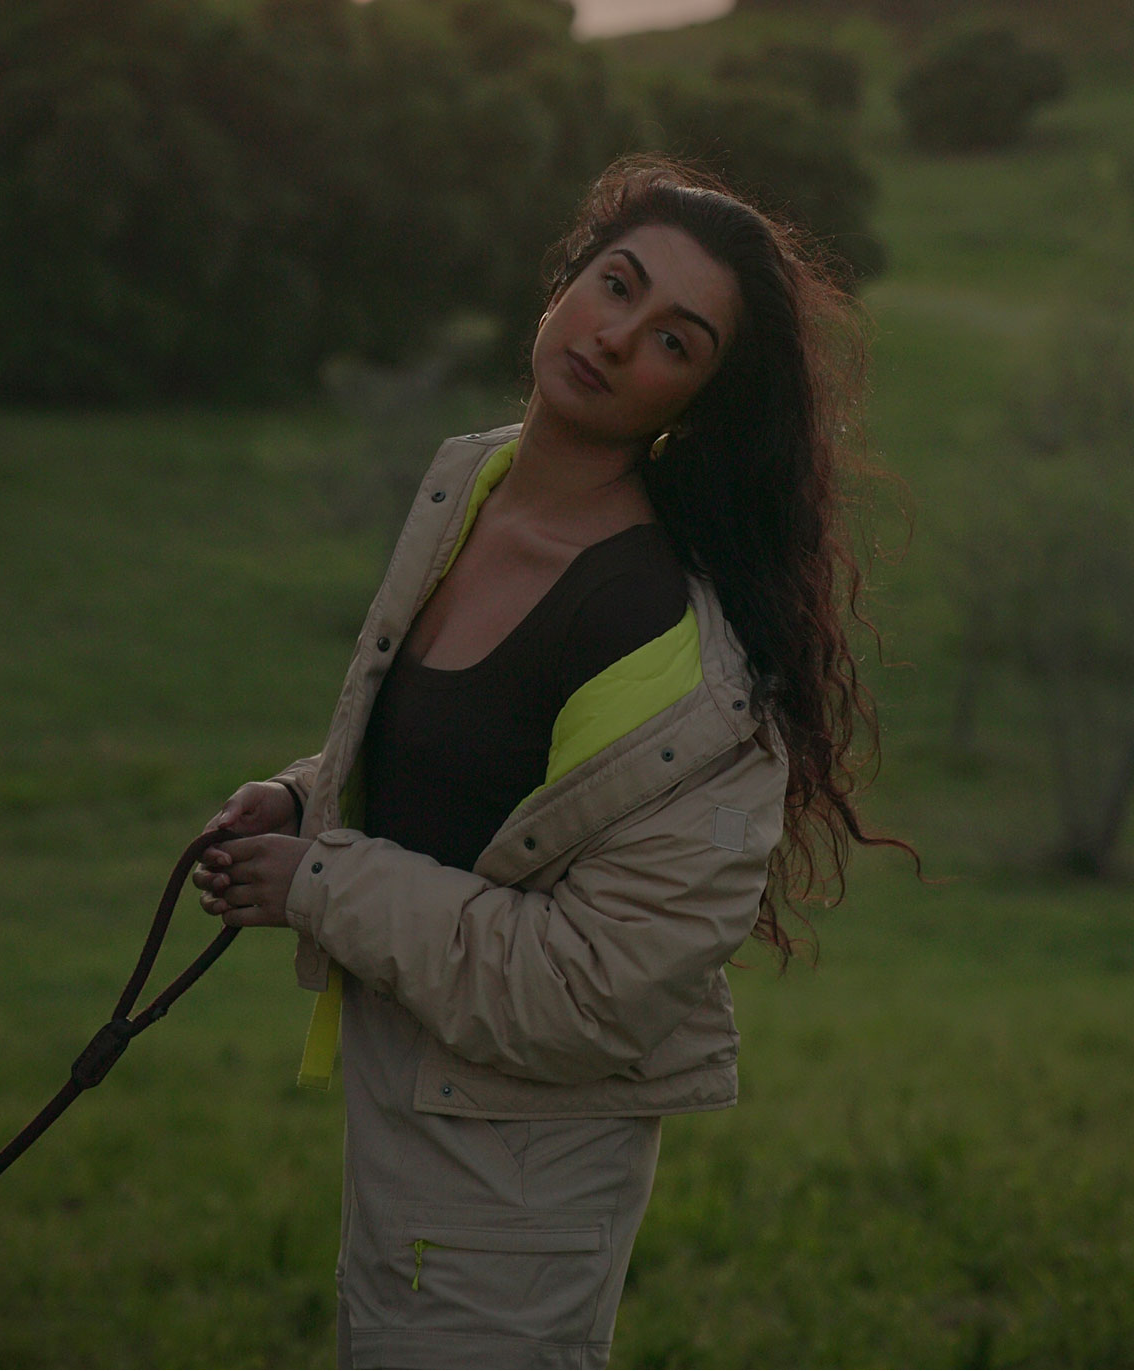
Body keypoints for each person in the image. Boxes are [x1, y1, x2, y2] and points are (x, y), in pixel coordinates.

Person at [193, 156, 902, 1370]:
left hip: (519, 1193)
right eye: (615, 284)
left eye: (674, 341)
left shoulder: (661, 644)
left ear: (697, 400)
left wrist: (316, 881)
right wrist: (309, 795)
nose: (620, 337)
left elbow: (587, 988)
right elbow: (482, 774)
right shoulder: (475, 483)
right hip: (409, 1123)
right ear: (566, 278)